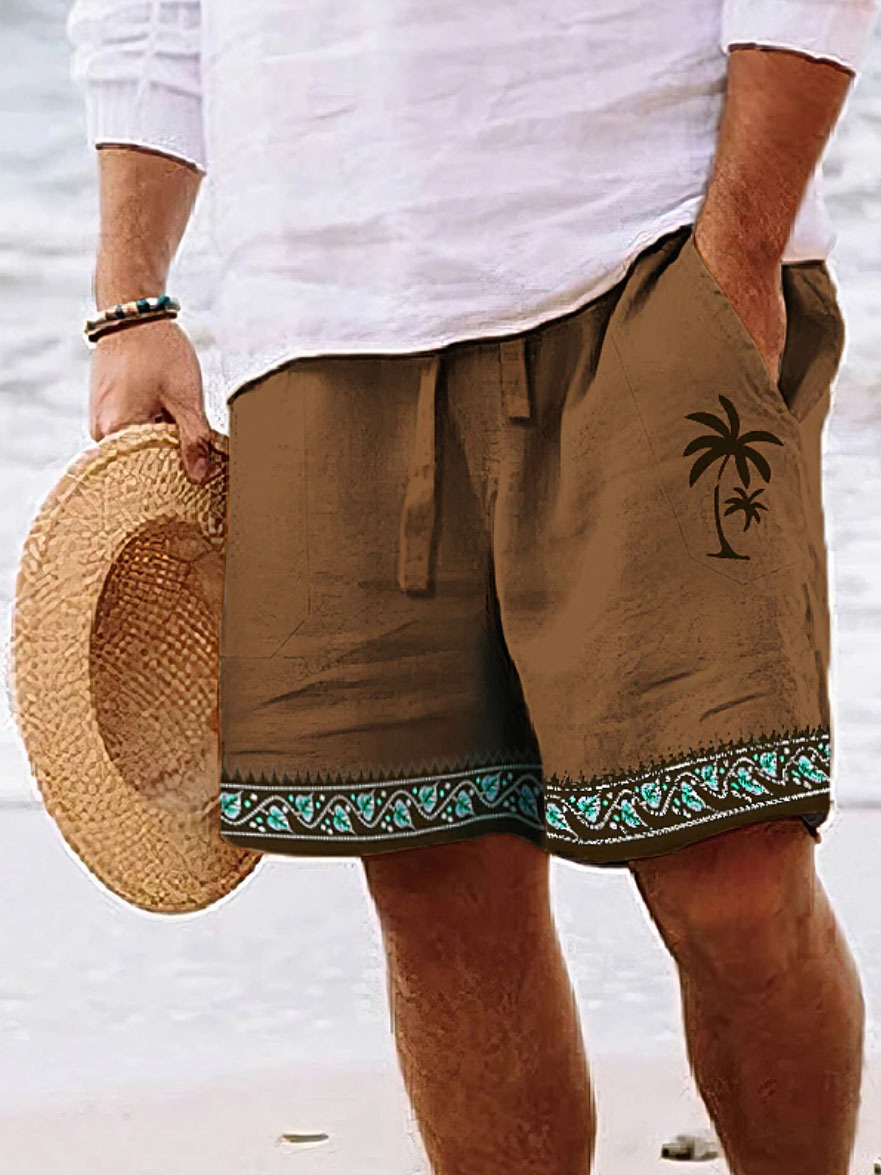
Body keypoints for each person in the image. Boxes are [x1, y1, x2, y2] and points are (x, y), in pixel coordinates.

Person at [67, 2, 876, 1171]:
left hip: (648, 249)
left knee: (729, 863)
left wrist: (740, 250)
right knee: (435, 878)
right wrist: (131, 297)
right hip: (318, 303)